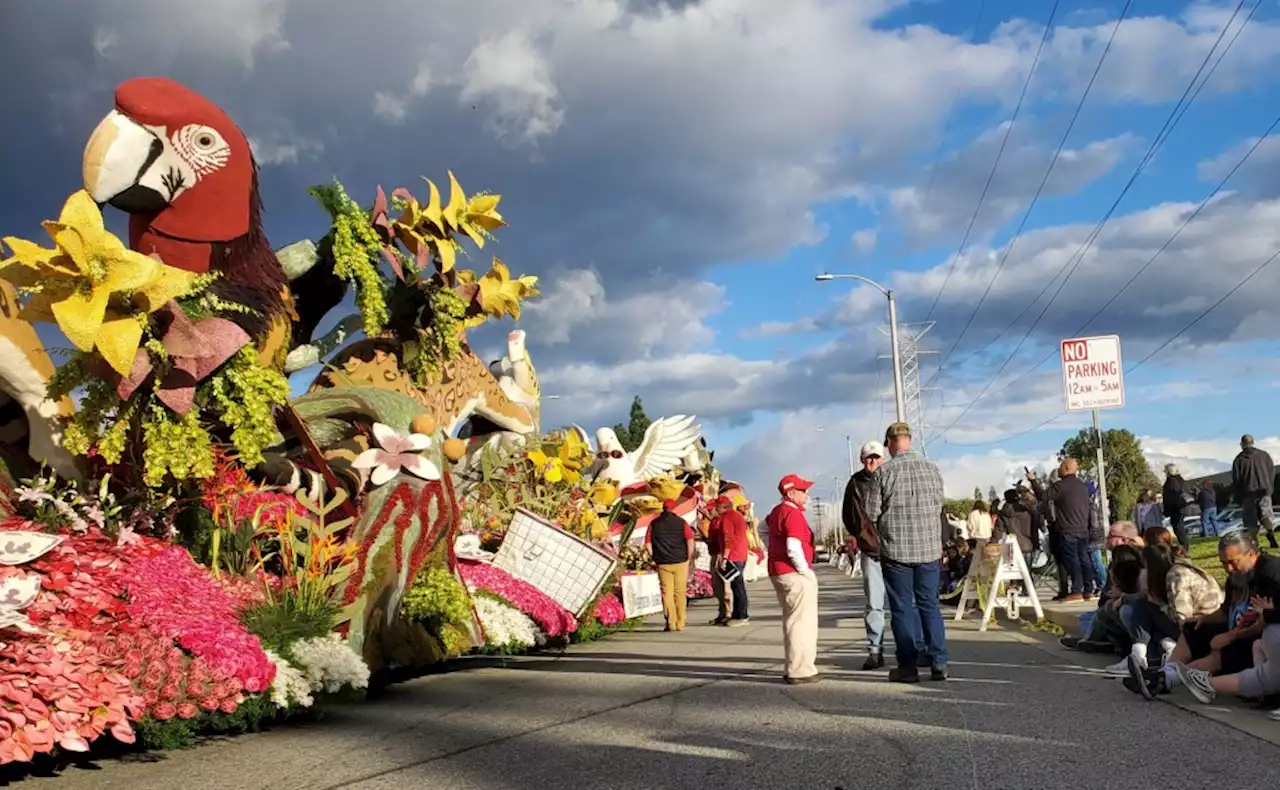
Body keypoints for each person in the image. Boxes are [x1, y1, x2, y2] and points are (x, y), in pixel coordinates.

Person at [1128, 532, 1280, 700]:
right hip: (1239, 627)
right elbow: (1225, 611)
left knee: (1224, 650)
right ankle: (1164, 673)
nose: (1228, 569)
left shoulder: (1271, 573)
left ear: (1251, 554)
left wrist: (1230, 636)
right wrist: (1203, 619)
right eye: (1223, 563)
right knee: (1195, 628)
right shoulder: (1236, 578)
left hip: (1260, 635)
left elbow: (1265, 617)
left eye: (1233, 562)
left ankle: (1164, 680)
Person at [866, 422, 948, 683]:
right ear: (909, 440)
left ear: (890, 443)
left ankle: (908, 667)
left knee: (901, 608)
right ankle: (938, 662)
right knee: (930, 606)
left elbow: (871, 513)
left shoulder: (883, 473)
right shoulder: (933, 470)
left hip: (897, 550)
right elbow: (939, 505)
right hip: (928, 549)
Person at [766, 474, 820, 684]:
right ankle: (800, 669)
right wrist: (805, 570)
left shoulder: (777, 511)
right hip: (794, 573)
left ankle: (795, 666)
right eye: (803, 490)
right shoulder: (793, 514)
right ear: (791, 493)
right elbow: (793, 547)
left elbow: (763, 528)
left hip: (779, 570)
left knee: (792, 619)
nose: (807, 494)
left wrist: (771, 549)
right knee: (801, 623)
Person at [841, 440, 888, 670]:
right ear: (862, 459)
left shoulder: (891, 477)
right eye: (869, 457)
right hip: (871, 551)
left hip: (897, 550)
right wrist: (862, 537)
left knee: (904, 603)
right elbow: (848, 516)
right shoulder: (855, 483)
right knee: (874, 604)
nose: (873, 462)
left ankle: (912, 648)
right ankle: (875, 650)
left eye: (877, 457)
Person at [1029, 459, 1097, 602]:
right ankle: (1088, 590)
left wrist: (1033, 481)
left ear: (1066, 468)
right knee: (1085, 559)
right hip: (1083, 528)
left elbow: (1043, 497)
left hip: (1068, 528)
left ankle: (1076, 591)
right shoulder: (1082, 487)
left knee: (1072, 560)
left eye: (1060, 467)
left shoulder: (1061, 486)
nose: (1058, 469)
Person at [646, 499, 695, 632]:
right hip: (681, 561)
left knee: (667, 593)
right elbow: (690, 541)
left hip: (663, 562)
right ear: (674, 509)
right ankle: (681, 622)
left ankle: (671, 622)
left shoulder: (654, 524)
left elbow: (648, 544)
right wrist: (689, 558)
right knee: (680, 592)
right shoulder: (682, 522)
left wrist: (654, 557)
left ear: (663, 508)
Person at [1233, 434, 1277, 549]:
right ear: (1253, 442)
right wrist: (1269, 487)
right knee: (1266, 514)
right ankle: (1270, 532)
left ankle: (1254, 543)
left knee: (1250, 520)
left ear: (1242, 444)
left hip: (1248, 493)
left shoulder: (1239, 459)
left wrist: (1239, 495)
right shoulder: (1265, 455)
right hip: (1264, 491)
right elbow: (1272, 471)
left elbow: (1236, 479)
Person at [719, 494, 751, 626]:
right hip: (741, 554)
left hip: (734, 555)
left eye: (717, 507)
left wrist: (724, 558)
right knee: (737, 585)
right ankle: (738, 613)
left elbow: (728, 539)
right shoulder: (738, 516)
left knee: (737, 586)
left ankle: (742, 615)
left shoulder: (727, 518)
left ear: (723, 507)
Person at [706, 498, 731, 625]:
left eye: (711, 509)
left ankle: (728, 613)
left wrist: (723, 555)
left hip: (721, 555)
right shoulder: (714, 522)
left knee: (725, 587)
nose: (709, 511)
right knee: (717, 587)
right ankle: (722, 613)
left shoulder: (723, 521)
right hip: (714, 554)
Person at [1162, 464, 1192, 550]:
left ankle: (1185, 547)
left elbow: (1169, 498)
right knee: (1179, 527)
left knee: (1178, 528)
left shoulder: (1171, 482)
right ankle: (1184, 546)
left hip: (1176, 509)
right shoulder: (1181, 480)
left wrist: (1167, 510)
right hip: (1182, 507)